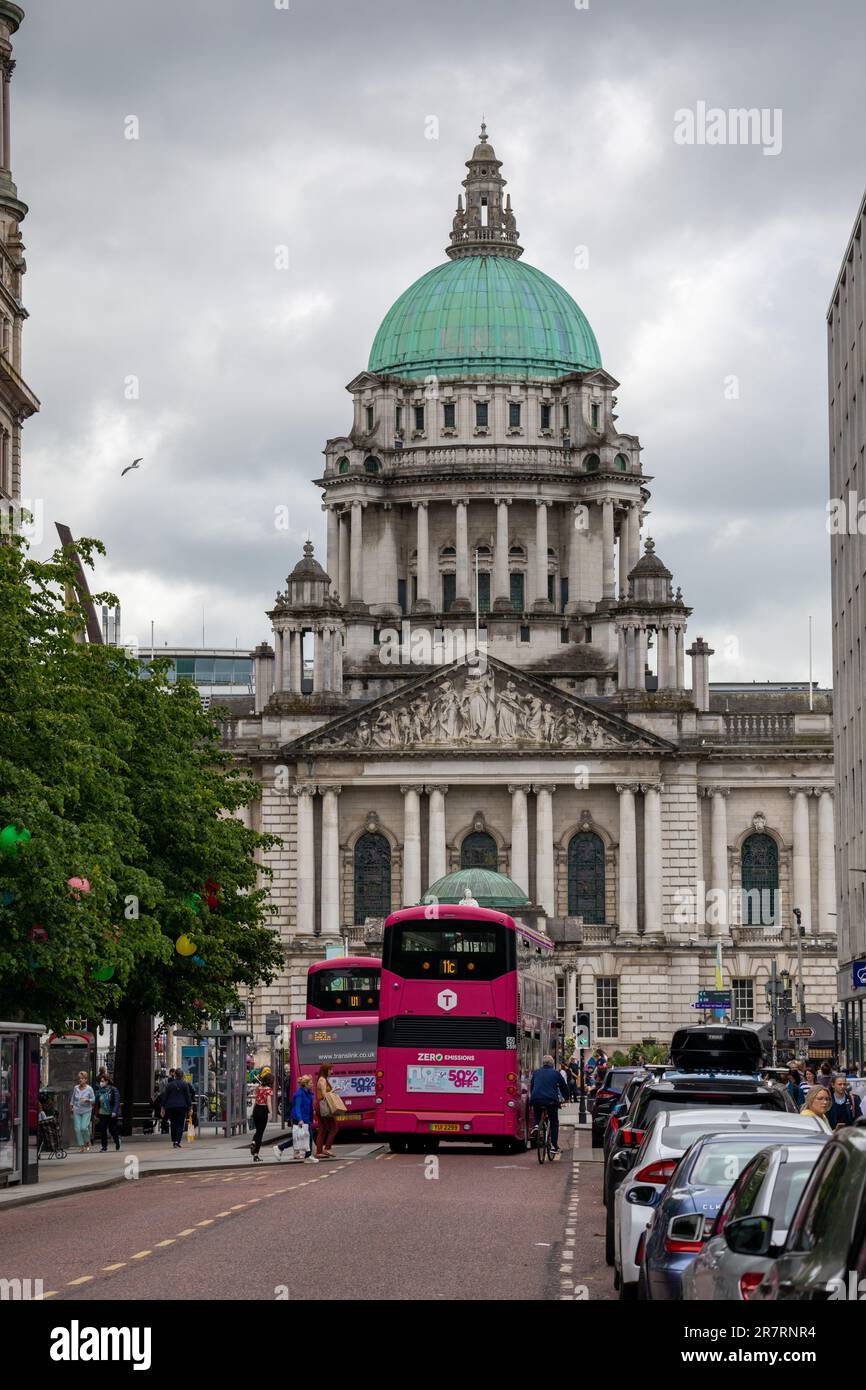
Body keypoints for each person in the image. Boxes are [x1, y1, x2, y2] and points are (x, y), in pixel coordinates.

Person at [529, 1054, 569, 1158]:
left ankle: (537, 1125)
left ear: (543, 1063)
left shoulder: (536, 1073)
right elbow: (564, 1087)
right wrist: (567, 1098)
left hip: (536, 1098)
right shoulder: (556, 1073)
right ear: (552, 1064)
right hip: (551, 1101)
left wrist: (533, 1097)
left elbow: (532, 1086)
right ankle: (554, 1146)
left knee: (537, 1111)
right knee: (554, 1122)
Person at [275, 1074, 318, 1163]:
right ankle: (280, 1148)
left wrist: (312, 1112)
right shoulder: (299, 1094)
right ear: (305, 1084)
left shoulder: (309, 1093)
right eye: (310, 1083)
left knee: (305, 1137)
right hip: (299, 1119)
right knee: (300, 1137)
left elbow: (308, 1106)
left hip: (306, 1118)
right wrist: (299, 1119)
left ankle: (307, 1156)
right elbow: (297, 1107)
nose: (312, 1084)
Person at [161, 1068, 193, 1149]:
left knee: (173, 1123)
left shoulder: (169, 1085)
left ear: (175, 1075)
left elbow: (165, 1097)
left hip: (171, 1107)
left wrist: (163, 1107)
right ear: (182, 1075)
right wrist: (190, 1107)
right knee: (180, 1124)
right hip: (182, 1107)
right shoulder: (185, 1084)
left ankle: (174, 1139)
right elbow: (187, 1097)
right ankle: (177, 1141)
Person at [315, 1064, 340, 1158]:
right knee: (334, 1128)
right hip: (324, 1107)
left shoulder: (322, 1079)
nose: (331, 1072)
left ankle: (319, 1152)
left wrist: (333, 1090)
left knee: (322, 1129)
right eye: (330, 1070)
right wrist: (333, 1091)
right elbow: (325, 1095)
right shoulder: (322, 1080)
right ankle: (327, 1149)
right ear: (325, 1070)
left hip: (320, 1106)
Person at [249, 1069, 273, 1162]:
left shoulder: (259, 1088)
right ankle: (256, 1154)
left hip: (256, 1110)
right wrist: (270, 1113)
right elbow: (268, 1102)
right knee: (260, 1132)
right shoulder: (269, 1090)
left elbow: (256, 1101)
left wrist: (252, 1112)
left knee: (257, 1131)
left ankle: (253, 1142)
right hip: (263, 1111)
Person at [95, 1073, 121, 1152]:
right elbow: (96, 1102)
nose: (101, 1083)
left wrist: (114, 1111)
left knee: (112, 1129)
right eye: (100, 1081)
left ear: (107, 1081)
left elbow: (116, 1101)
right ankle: (104, 1147)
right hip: (102, 1112)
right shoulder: (99, 1091)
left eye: (102, 1081)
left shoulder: (113, 1090)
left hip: (111, 1113)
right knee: (103, 1130)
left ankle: (117, 1141)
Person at [70, 1071, 95, 1152]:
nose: (80, 1080)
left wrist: (88, 1100)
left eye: (82, 1078)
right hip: (77, 1110)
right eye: (79, 1078)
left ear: (86, 1079)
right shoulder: (76, 1088)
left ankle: (87, 1142)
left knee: (83, 1127)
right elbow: (73, 1098)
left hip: (86, 1110)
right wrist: (71, 1106)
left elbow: (94, 1099)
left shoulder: (89, 1088)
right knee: (77, 1129)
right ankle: (81, 1146)